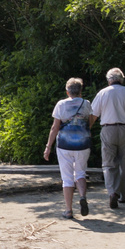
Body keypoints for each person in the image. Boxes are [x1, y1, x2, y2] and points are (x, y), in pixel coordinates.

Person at [91, 67, 125, 208]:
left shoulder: (102, 93)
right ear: (121, 79)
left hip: (108, 129)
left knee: (109, 164)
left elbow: (93, 115)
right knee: (123, 163)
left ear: (109, 80)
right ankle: (122, 195)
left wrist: (87, 130)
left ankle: (112, 192)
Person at [43, 78, 93, 219]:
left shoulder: (61, 104)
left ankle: (69, 210)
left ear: (67, 91)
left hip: (64, 145)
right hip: (83, 144)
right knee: (81, 173)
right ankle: (82, 196)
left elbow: (55, 127)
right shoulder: (86, 104)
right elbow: (89, 122)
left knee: (67, 178)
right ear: (81, 91)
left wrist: (48, 147)